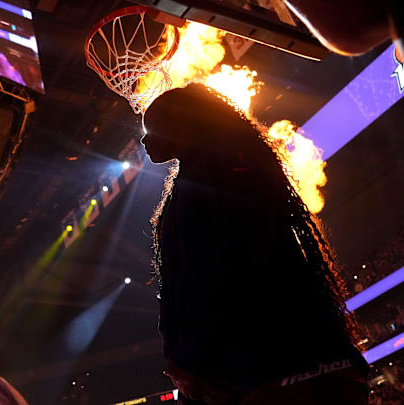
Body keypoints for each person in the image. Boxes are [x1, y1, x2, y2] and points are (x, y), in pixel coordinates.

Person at [140, 83, 370, 404]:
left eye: (152, 129)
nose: (144, 140)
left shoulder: (220, 178)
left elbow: (227, 270)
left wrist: (190, 353)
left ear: (181, 126)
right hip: (278, 360)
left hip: (267, 363)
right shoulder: (208, 178)